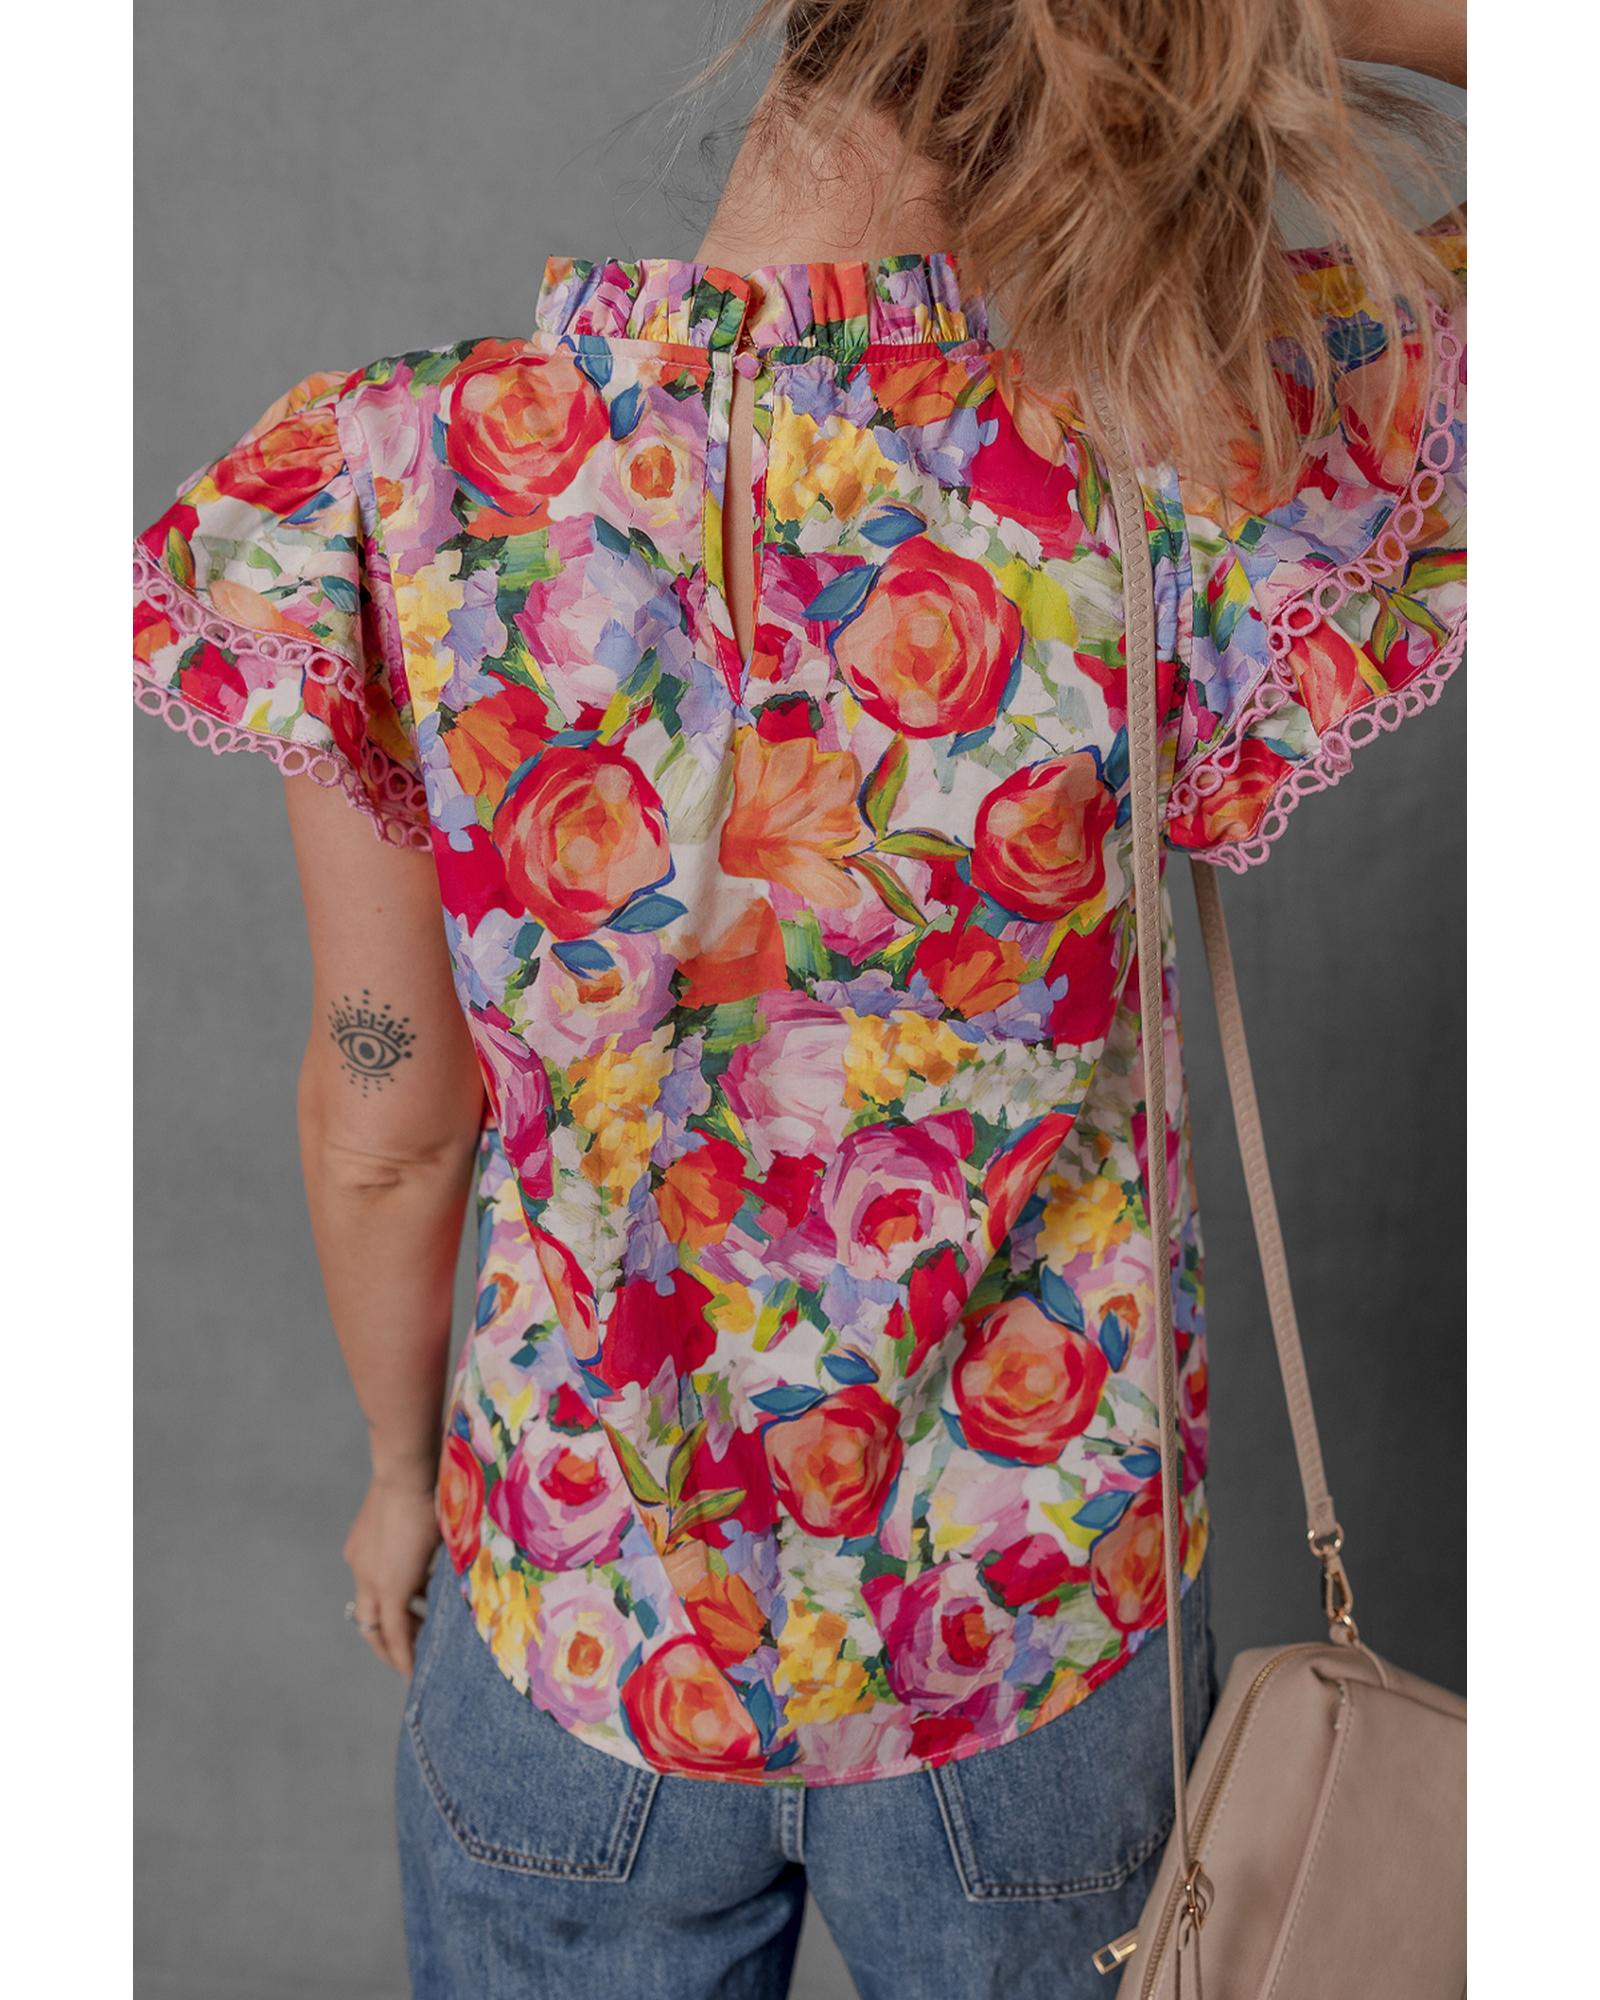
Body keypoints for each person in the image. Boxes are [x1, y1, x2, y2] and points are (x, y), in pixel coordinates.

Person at [131, 2, 1466, 1994]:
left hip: (587, 1610)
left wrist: (404, 1477)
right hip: (1032, 1631)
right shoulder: (1170, 448)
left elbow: (386, 1114)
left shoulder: (396, 482)